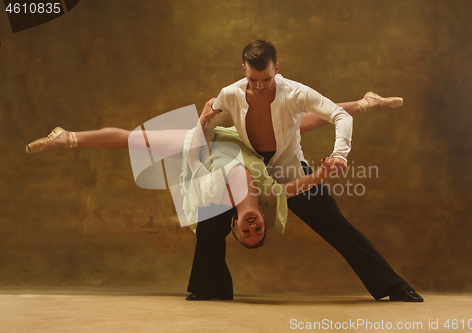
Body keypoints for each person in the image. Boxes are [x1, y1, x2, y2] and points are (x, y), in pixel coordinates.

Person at [186, 39, 423, 302]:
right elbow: (209, 126)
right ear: (244, 70)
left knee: (339, 228)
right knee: (209, 218)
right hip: (250, 172)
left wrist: (339, 155)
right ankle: (210, 288)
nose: (260, 86)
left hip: (290, 171)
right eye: (254, 80)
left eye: (266, 79)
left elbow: (340, 116)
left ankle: (395, 288)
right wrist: (210, 164)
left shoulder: (297, 93)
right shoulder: (230, 94)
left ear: (276, 68)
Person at [25, 100, 337, 249]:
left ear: (235, 225)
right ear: (266, 221)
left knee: (135, 140)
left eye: (246, 233)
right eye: (258, 232)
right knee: (298, 123)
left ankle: (68, 137)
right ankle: (362, 105)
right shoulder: (269, 196)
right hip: (244, 140)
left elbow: (191, 162)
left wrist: (202, 121)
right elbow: (296, 187)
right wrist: (321, 173)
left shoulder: (215, 196)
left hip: (208, 143)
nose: (252, 228)